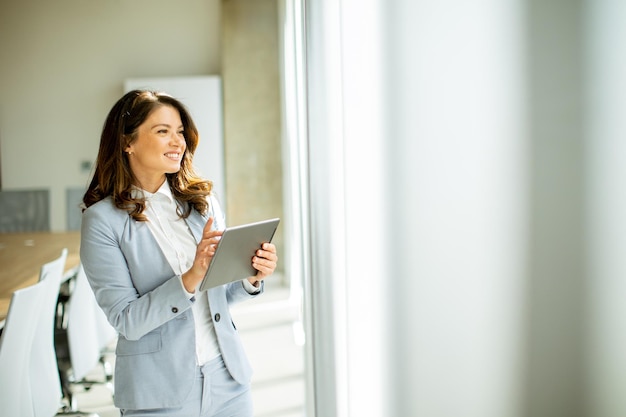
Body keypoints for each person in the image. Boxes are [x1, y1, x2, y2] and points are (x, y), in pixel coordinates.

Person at [80, 89, 278, 417]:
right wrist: (192, 276)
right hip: (157, 392)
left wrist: (251, 278)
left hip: (227, 378)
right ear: (127, 142)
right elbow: (127, 320)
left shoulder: (202, 203)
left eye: (180, 132)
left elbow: (219, 296)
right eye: (163, 131)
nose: (178, 142)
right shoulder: (102, 221)